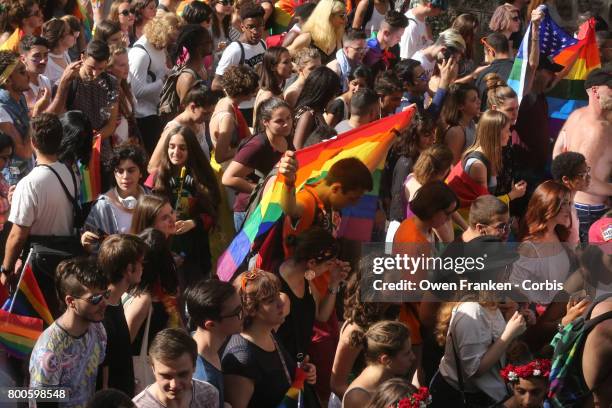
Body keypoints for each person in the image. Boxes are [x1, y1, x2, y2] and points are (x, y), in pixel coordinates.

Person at [1, 113, 78, 317]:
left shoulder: (30, 183)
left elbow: (18, 235)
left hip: (38, 265)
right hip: (66, 260)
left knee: (34, 323)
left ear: (33, 142)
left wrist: (6, 270)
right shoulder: (71, 173)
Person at [430, 251, 528, 407]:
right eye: (505, 268)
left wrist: (510, 319)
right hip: (458, 399)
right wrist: (509, 332)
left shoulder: (488, 302)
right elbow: (475, 370)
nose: (509, 272)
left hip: (480, 394)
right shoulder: (471, 311)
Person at [222, 269, 317, 408]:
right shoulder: (241, 358)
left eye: (278, 294)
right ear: (251, 309)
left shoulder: (269, 333)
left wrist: (300, 373)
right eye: (271, 300)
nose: (281, 303)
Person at [29, 258, 109, 407]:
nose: (104, 302)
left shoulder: (98, 329)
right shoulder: (49, 352)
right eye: (95, 298)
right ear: (71, 302)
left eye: (106, 294)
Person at [147, 126, 220, 282]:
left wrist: (193, 223)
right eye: (171, 147)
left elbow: (213, 214)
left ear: (191, 150)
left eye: (182, 148)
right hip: (165, 249)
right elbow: (146, 213)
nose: (176, 152)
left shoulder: (202, 178)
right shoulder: (157, 177)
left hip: (195, 251)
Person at [553, 66, 612, 242]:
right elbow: (585, 182)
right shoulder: (598, 129)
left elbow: (557, 156)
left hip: (575, 206)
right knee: (595, 264)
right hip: (592, 211)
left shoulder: (576, 115)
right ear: (595, 91)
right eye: (611, 87)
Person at [222, 97, 291, 230]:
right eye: (279, 121)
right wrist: (261, 189)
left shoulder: (285, 135)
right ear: (265, 122)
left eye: (288, 118)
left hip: (270, 205)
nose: (286, 124)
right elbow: (228, 178)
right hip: (249, 210)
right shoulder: (256, 145)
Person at [278, 156, 373, 250]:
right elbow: (290, 209)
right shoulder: (307, 201)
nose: (354, 204)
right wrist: (289, 181)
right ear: (336, 188)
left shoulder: (333, 207)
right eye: (352, 199)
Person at [446, 110, 526, 218]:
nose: (510, 134)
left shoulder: (491, 154)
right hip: (462, 221)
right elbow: (485, 205)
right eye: (507, 130)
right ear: (495, 134)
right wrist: (513, 195)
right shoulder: (478, 165)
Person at [46, 40, 119, 156]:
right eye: (91, 67)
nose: (95, 73)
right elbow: (58, 118)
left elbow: (111, 124)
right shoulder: (67, 84)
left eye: (100, 69)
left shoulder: (111, 83)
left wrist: (94, 139)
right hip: (75, 151)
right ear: (83, 58)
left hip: (102, 151)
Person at [97, 234, 146, 397]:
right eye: (141, 263)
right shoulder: (101, 315)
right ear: (129, 269)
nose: (143, 268)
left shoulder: (116, 301)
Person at [511, 181, 573, 306]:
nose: (568, 209)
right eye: (563, 204)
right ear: (548, 204)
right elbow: (515, 287)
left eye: (569, 203)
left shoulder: (558, 234)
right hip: (543, 317)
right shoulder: (529, 247)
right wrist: (539, 307)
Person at [186, 279, 243, 407]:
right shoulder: (204, 380)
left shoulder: (196, 340)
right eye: (237, 312)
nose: (243, 315)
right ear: (211, 324)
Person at [128, 14, 179, 155]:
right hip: (145, 117)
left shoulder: (159, 46)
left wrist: (171, 73)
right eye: (169, 38)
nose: (170, 43)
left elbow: (159, 71)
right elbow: (137, 91)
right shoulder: (140, 54)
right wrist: (163, 81)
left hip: (158, 111)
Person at [82, 145, 149, 251]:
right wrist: (87, 242)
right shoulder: (102, 206)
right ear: (114, 173)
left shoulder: (152, 198)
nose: (125, 176)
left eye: (131, 170)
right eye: (120, 171)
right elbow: (91, 244)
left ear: (141, 173)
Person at [132, 328, 219, 408]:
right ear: (153, 369)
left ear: (194, 367)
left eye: (182, 374)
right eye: (166, 376)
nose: (174, 385)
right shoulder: (139, 406)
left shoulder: (208, 395)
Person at [212, 4, 267, 125]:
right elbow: (215, 84)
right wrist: (245, 91)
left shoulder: (263, 44)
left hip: (259, 105)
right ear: (242, 27)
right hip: (241, 110)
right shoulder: (235, 50)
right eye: (251, 27)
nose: (256, 31)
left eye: (260, 26)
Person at [385, 112, 435, 240]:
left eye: (433, 133)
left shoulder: (422, 159)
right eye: (426, 135)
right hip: (402, 224)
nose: (432, 138)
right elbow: (398, 196)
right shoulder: (406, 162)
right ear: (414, 136)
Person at [342, 321, 414, 408]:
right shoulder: (358, 397)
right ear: (385, 360)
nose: (413, 357)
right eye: (407, 353)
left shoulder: (389, 376)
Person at [150, 84, 219, 168]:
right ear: (193, 107)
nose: (208, 117)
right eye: (205, 114)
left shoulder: (200, 122)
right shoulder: (173, 129)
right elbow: (152, 166)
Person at [209, 65, 258, 165]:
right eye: (253, 89)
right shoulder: (227, 119)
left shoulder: (225, 101)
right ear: (245, 93)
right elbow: (220, 157)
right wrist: (247, 146)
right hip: (228, 170)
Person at [0, 50, 34, 186]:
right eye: (21, 72)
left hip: (28, 173)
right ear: (8, 81)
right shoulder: (1, 109)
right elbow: (24, 152)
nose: (28, 76)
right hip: (13, 183)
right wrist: (35, 118)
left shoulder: (20, 96)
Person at [293, 66, 340, 149]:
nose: (334, 98)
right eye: (333, 94)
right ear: (324, 94)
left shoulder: (317, 113)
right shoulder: (307, 116)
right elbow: (297, 150)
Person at [287, 0, 346, 65]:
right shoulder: (307, 38)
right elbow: (283, 58)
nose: (346, 19)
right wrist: (298, 69)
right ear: (328, 16)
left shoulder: (338, 38)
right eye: (342, 15)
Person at [551, 152, 591, 244]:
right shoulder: (558, 209)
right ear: (566, 179)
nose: (589, 178)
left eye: (588, 171)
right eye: (582, 175)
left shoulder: (571, 202)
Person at [438, 83, 480, 164]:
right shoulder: (456, 132)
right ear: (460, 106)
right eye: (473, 100)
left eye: (478, 98)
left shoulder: (471, 124)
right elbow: (453, 165)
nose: (479, 101)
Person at [108, 46, 140, 146]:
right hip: (115, 145)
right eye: (122, 65)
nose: (127, 68)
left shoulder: (125, 85)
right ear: (109, 67)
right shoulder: (108, 91)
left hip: (128, 142)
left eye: (127, 63)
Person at [253, 47, 293, 126]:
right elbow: (262, 127)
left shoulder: (276, 89)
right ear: (272, 67)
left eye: (291, 61)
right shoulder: (268, 96)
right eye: (285, 62)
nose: (291, 65)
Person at [363, 10, 408, 75]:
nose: (400, 40)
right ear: (386, 33)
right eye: (398, 36)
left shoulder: (395, 48)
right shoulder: (367, 50)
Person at [19, 35, 52, 112]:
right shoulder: (19, 86)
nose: (43, 61)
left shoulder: (45, 80)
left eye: (45, 55)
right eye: (37, 56)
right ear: (23, 59)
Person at [41, 18, 77, 85]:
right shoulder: (46, 63)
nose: (74, 35)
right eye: (71, 32)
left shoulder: (64, 53)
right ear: (60, 37)